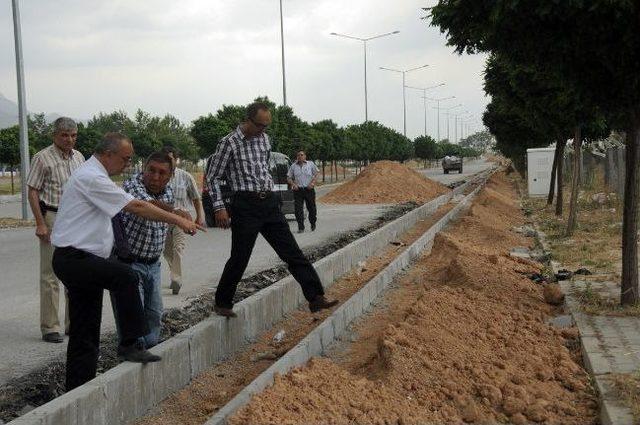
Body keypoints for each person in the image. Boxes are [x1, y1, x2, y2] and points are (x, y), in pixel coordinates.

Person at [51, 132, 204, 390]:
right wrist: (179, 220)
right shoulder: (92, 177)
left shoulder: (93, 174)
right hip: (74, 259)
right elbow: (138, 207)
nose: (127, 164)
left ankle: (78, 387)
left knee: (86, 329)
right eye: (125, 159)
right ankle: (130, 344)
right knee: (126, 276)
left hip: (80, 259)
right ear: (108, 155)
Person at [205, 102, 338, 318]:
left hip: (269, 204)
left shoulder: (265, 140)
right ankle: (222, 302)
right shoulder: (229, 143)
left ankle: (315, 297)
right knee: (240, 257)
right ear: (248, 120)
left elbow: (262, 169)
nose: (263, 130)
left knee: (292, 252)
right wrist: (219, 208)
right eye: (259, 125)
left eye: (267, 126)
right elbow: (212, 177)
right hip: (245, 205)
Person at [112, 151, 185, 348]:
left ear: (170, 176)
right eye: (151, 170)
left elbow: (161, 208)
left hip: (153, 264)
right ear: (143, 169)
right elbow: (147, 206)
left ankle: (149, 351)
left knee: (154, 314)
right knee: (132, 316)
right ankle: (132, 355)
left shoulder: (168, 192)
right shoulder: (131, 185)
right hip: (129, 264)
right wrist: (177, 214)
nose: (155, 177)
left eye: (162, 173)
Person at [26, 117, 85, 343]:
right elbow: (32, 191)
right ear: (55, 136)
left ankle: (74, 323)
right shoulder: (42, 158)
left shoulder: (79, 157)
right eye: (64, 135)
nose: (69, 139)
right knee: (51, 273)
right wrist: (40, 223)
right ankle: (50, 326)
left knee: (76, 271)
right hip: (52, 216)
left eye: (73, 135)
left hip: (75, 219)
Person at [160, 146, 205, 295]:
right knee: (167, 251)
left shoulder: (185, 176)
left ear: (176, 160)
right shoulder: (159, 176)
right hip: (163, 219)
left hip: (181, 220)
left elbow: (196, 198)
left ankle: (176, 279)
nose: (169, 162)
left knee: (178, 248)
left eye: (171, 159)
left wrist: (199, 216)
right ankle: (175, 272)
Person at [287, 150, 319, 233]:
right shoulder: (293, 166)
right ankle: (301, 227)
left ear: (305, 156)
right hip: (298, 191)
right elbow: (289, 177)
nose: (300, 156)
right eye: (298, 155)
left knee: (311, 208)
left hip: (309, 190)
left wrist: (312, 183)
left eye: (301, 155)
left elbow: (316, 174)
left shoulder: (310, 164)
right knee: (298, 209)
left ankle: (313, 223)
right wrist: (293, 184)